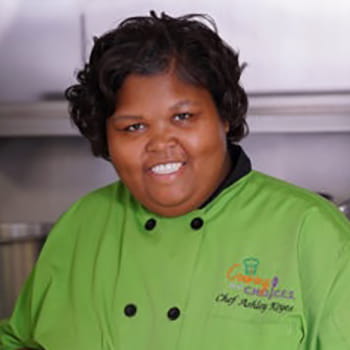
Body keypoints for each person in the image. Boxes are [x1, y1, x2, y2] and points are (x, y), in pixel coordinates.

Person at [1, 11, 350, 350]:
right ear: (107, 136)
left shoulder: (311, 232)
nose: (160, 143)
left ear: (224, 115)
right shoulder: (79, 225)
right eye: (133, 127)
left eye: (183, 117)